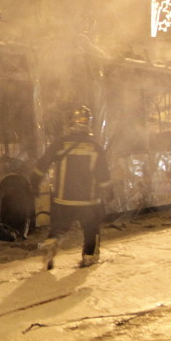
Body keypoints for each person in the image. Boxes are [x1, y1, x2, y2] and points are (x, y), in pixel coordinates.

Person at [30, 105, 112, 270]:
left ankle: (51, 244)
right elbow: (103, 174)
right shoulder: (95, 147)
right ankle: (89, 257)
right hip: (88, 202)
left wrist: (34, 182)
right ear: (88, 123)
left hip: (63, 199)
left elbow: (42, 163)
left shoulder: (60, 144)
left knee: (59, 227)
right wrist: (108, 193)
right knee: (91, 228)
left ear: (70, 123)